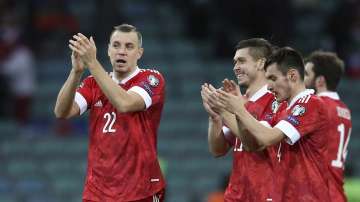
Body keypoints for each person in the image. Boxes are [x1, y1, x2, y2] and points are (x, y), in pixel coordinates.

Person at [54, 24, 166, 202]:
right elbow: (62, 112)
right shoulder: (92, 83)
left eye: (129, 47)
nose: (121, 51)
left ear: (140, 53)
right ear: (108, 50)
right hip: (97, 191)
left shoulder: (152, 79)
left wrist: (92, 62)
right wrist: (76, 72)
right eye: (116, 45)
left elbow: (125, 103)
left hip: (140, 189)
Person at [215, 47, 332, 201]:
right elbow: (253, 142)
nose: (269, 86)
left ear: (292, 76)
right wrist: (229, 112)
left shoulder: (310, 104)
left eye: (273, 78)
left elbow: (267, 138)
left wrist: (238, 110)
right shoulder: (282, 109)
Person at [201, 38, 280, 201]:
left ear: (260, 63)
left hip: (264, 195)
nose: (235, 67)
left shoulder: (275, 100)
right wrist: (214, 117)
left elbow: (255, 143)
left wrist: (225, 111)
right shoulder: (241, 102)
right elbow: (218, 150)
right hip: (236, 196)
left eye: (241, 61)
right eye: (234, 62)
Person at [304, 51, 352, 202]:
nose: (301, 80)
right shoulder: (344, 110)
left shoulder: (317, 105)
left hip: (318, 195)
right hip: (337, 194)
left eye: (306, 74)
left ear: (320, 81)